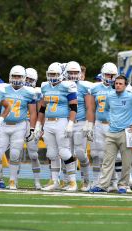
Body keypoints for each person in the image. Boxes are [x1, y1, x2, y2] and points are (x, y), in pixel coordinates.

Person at [90, 75, 132, 194]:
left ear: (125, 85)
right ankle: (103, 185)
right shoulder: (110, 96)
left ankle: (123, 185)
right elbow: (105, 110)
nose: (118, 85)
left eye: (120, 83)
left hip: (126, 133)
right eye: (116, 83)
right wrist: (109, 119)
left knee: (126, 162)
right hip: (111, 132)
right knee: (107, 160)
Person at [0, 65, 37, 190]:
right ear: (10, 77)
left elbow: (33, 113)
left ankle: (12, 181)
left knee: (15, 154)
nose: (16, 78)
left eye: (19, 76)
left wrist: (32, 129)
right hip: (3, 125)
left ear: (24, 78)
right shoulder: (2, 88)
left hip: (19, 126)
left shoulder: (29, 92)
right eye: (14, 76)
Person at [35, 62, 78, 192]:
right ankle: (55, 181)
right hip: (48, 122)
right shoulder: (45, 87)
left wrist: (70, 123)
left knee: (64, 152)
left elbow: (74, 107)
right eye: (51, 74)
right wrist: (38, 125)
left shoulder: (67, 86)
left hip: (62, 122)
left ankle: (73, 182)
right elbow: (42, 108)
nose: (53, 76)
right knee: (52, 153)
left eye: (55, 74)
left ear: (61, 75)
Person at [64, 61, 93, 191]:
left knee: (81, 153)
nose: (74, 75)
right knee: (67, 153)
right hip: (65, 122)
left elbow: (89, 107)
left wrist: (89, 123)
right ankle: (70, 182)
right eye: (71, 72)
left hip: (80, 122)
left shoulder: (84, 87)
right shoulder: (61, 85)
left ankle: (86, 180)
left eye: (76, 72)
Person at [23, 67, 43, 190]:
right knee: (15, 153)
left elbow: (41, 110)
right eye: (27, 78)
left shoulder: (38, 92)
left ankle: (37, 181)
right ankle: (12, 180)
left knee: (33, 155)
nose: (28, 81)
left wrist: (39, 126)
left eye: (31, 79)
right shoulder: (15, 89)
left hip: (32, 124)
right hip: (18, 123)